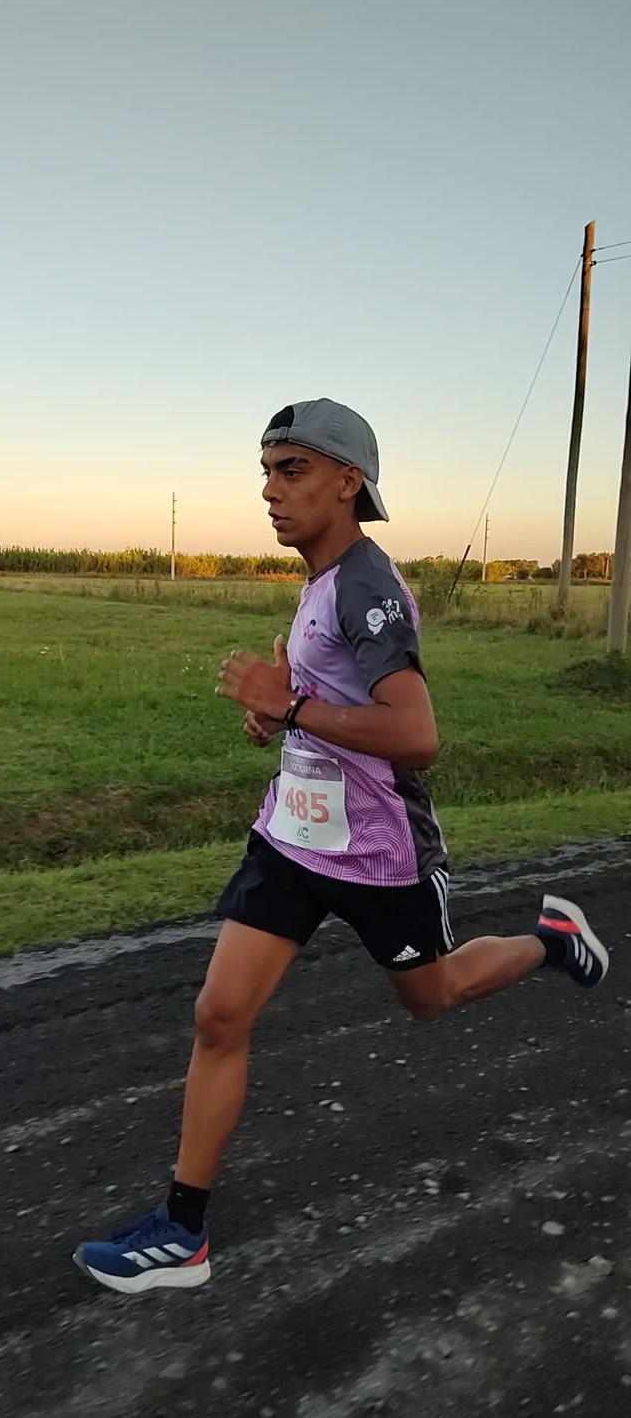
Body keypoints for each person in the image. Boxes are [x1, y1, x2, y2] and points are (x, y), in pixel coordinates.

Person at [74, 397, 609, 1296]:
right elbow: (330, 704)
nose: (270, 492)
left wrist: (289, 705)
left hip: (379, 855)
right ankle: (183, 1233)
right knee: (219, 1015)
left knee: (432, 998)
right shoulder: (320, 580)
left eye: (292, 471)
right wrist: (282, 717)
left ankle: (551, 942)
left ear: (347, 482)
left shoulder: (366, 584)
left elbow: (415, 735)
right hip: (293, 840)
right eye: (266, 473)